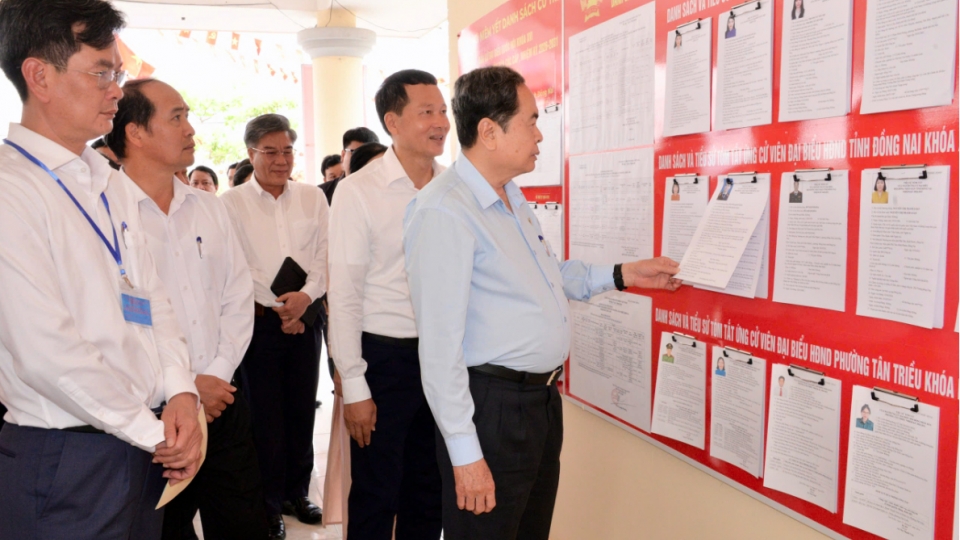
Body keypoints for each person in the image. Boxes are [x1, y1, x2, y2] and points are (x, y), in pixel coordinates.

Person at [403, 66, 682, 540]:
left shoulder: (509, 195)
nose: (539, 135)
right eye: (531, 121)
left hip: (538, 405)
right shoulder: (444, 211)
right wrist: (466, 454)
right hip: (489, 410)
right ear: (489, 131)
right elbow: (438, 349)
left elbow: (546, 276)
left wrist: (624, 275)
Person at [0, 2, 203, 538]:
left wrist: (180, 389)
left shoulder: (105, 178)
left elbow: (151, 296)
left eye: (119, 74)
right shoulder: (11, 189)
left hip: (139, 445)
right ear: (39, 76)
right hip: (67, 457)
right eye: (102, 73)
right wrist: (151, 429)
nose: (117, 89)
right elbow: (45, 350)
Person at [106, 78, 268, 540]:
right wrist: (181, 385)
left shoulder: (209, 209)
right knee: (163, 530)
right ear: (136, 133)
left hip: (222, 402)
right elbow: (118, 319)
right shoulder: (105, 214)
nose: (190, 128)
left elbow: (237, 298)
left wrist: (214, 376)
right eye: (176, 117)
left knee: (242, 523)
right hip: (150, 414)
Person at [328, 69, 449, 540]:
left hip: (442, 357)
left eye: (442, 111)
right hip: (385, 359)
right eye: (426, 112)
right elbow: (344, 293)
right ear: (393, 121)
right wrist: (354, 385)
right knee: (378, 491)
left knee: (431, 487)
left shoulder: (452, 187)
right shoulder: (359, 191)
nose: (440, 121)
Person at [220, 114, 329, 540]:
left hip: (306, 318)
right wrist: (280, 305)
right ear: (251, 154)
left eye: (287, 151)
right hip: (260, 323)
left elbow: (325, 253)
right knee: (263, 415)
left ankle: (297, 493)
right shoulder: (230, 204)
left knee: (302, 409)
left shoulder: (312, 198)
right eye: (271, 152)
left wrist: (305, 300)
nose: (281, 160)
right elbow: (236, 265)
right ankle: (267, 503)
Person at [320, 127, 381, 206]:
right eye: (355, 153)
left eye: (368, 155)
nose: (361, 160)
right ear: (343, 155)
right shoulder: (322, 194)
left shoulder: (388, 191)